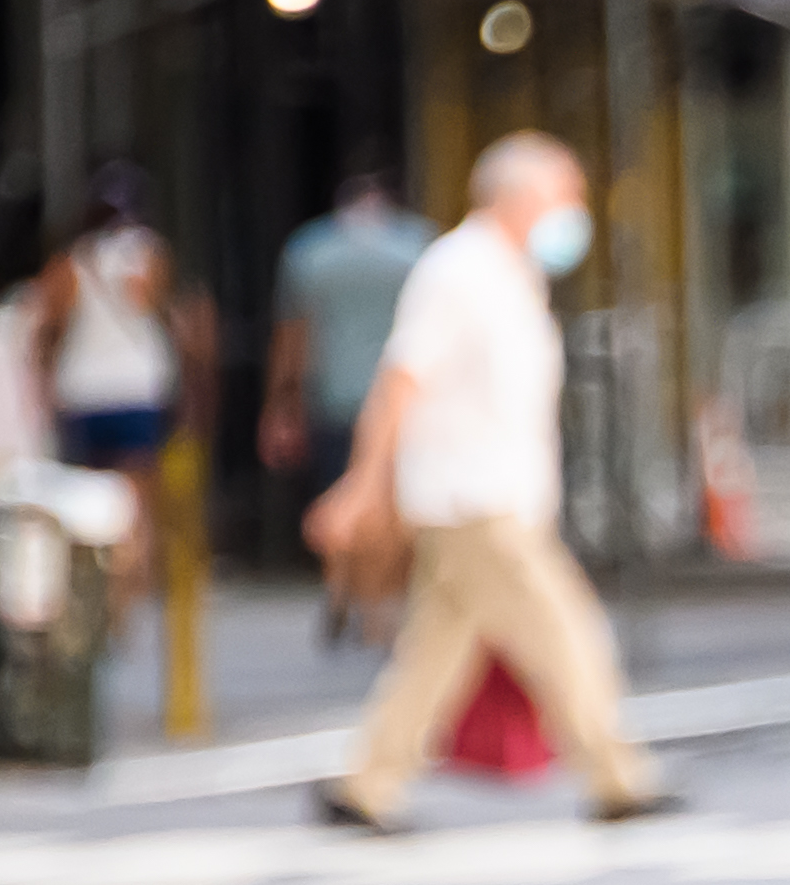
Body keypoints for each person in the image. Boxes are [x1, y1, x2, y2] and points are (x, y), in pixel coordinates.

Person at [317, 135, 670, 834]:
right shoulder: (459, 271)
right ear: (521, 197)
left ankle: (370, 783)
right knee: (567, 631)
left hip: (489, 496)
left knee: (436, 651)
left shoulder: (509, 273)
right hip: (473, 501)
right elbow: (400, 383)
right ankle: (616, 774)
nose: (574, 212)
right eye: (564, 195)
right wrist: (361, 485)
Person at [15, 165, 212, 647]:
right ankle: (125, 600)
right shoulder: (150, 255)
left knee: (85, 504)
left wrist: (43, 389)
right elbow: (172, 319)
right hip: (138, 391)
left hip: (83, 393)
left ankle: (91, 600)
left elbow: (44, 330)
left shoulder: (70, 263)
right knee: (134, 503)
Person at [261, 158, 434, 640]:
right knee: (394, 501)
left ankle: (341, 586)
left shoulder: (310, 251)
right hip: (403, 395)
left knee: (341, 494)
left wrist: (282, 403)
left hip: (334, 394)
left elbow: (293, 337)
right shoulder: (421, 247)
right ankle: (382, 603)